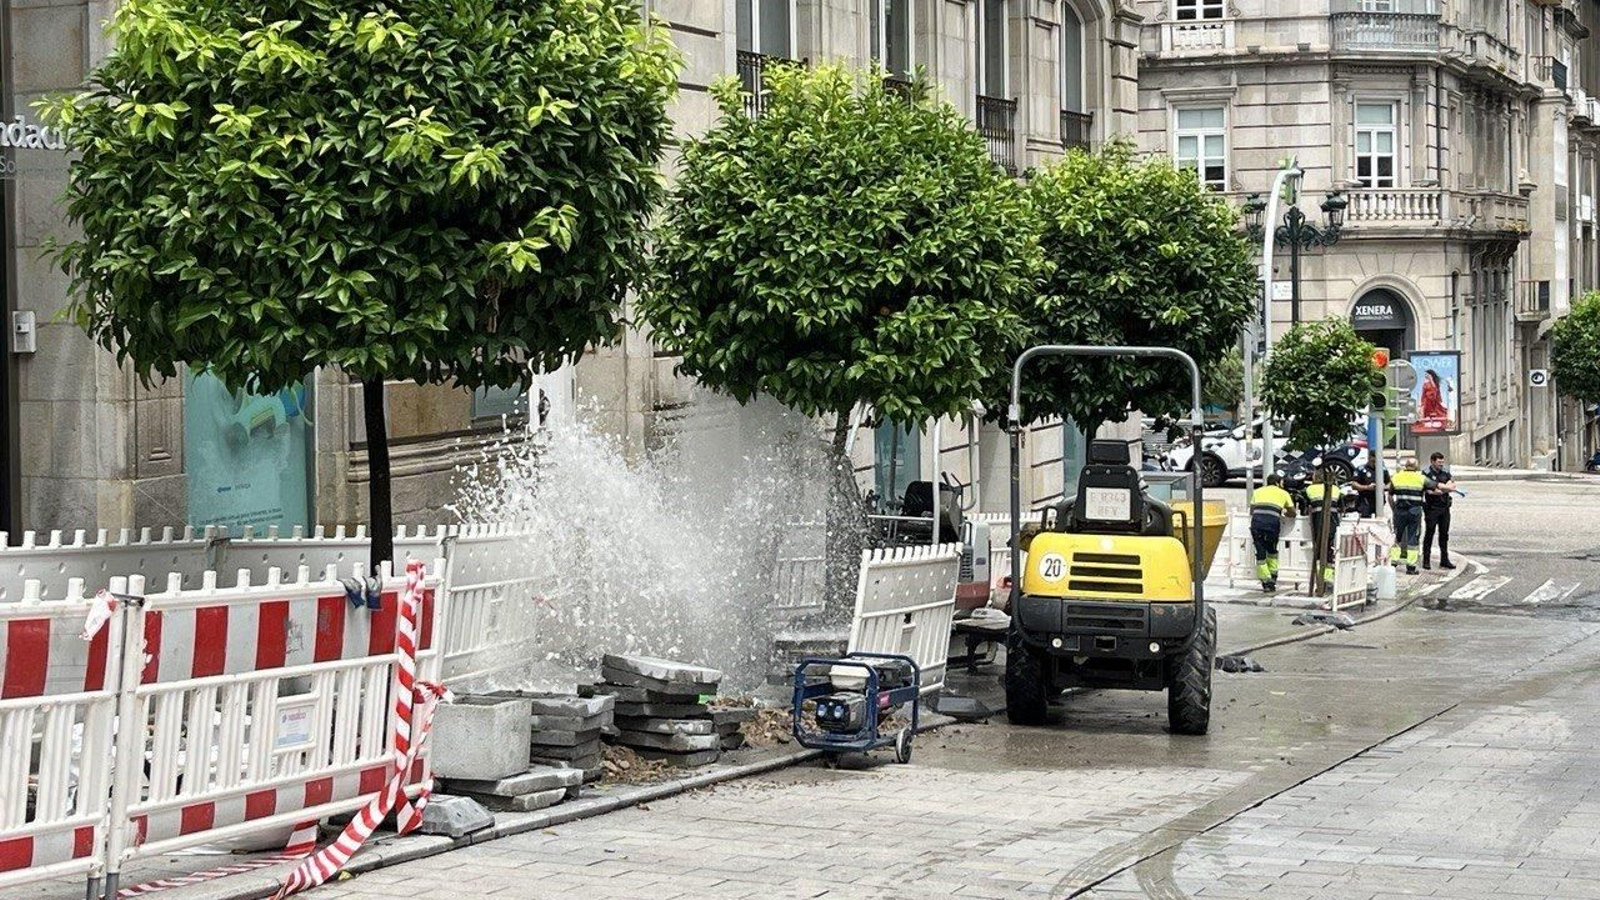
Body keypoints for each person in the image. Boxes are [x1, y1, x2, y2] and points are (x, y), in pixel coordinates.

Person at [1249, 474, 1296, 592]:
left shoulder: (1258, 491)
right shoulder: (1283, 493)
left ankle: (1266, 581)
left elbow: (1252, 510)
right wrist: (1285, 513)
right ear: (1278, 483)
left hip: (1257, 524)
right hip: (1272, 524)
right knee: (1272, 551)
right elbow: (1293, 512)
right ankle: (1273, 578)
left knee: (1260, 552)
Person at [1387, 456, 1433, 575]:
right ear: (1416, 467)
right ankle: (1411, 567)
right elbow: (1434, 486)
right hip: (1414, 511)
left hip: (1400, 511)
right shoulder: (1421, 478)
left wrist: (1394, 509)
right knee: (1413, 538)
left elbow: (1390, 495)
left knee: (1397, 536)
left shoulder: (1396, 477)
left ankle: (1393, 563)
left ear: (1405, 466)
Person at [1303, 461, 1338, 590]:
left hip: (1318, 523)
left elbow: (1305, 505)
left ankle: (1320, 579)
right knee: (1330, 551)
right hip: (1333, 523)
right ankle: (1328, 577)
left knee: (1318, 552)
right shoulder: (1336, 489)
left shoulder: (1310, 489)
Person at [1422, 451, 1457, 570]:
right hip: (1432, 508)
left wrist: (1442, 488)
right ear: (1432, 461)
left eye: (1442, 462)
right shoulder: (1426, 473)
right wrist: (1444, 488)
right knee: (1429, 534)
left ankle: (1444, 559)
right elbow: (1429, 490)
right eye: (1439, 462)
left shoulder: (1446, 472)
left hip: (1444, 507)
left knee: (1444, 535)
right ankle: (1426, 560)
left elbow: (1452, 485)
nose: (1441, 464)